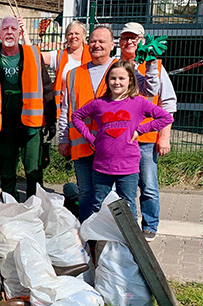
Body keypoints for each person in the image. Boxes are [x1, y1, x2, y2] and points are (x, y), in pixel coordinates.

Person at [58, 25, 160, 223]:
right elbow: (66, 110)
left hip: (114, 147)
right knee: (87, 193)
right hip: (82, 144)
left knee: (114, 198)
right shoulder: (72, 74)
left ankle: (118, 236)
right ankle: (90, 235)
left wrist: (152, 65)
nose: (97, 45)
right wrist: (63, 138)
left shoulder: (120, 69)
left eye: (102, 41)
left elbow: (149, 90)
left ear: (112, 45)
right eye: (93, 41)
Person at [71, 60, 173, 217]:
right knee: (99, 203)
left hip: (128, 167)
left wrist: (141, 130)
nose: (116, 82)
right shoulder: (99, 104)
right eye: (113, 78)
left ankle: (128, 240)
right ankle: (98, 239)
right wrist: (91, 138)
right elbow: (76, 116)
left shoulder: (138, 102)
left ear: (130, 80)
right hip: (102, 166)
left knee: (127, 204)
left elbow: (165, 117)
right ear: (107, 80)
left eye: (121, 78)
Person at [0, 15, 56, 201]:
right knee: (7, 171)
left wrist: (51, 122)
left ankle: (34, 207)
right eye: (5, 29)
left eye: (13, 29)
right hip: (3, 126)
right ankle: (10, 208)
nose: (9, 32)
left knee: (33, 171)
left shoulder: (33, 55)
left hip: (31, 124)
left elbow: (47, 88)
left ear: (20, 33)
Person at [119, 22, 177, 241]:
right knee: (125, 185)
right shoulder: (116, 65)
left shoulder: (154, 66)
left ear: (142, 40)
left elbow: (168, 104)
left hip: (146, 138)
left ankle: (150, 225)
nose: (129, 41)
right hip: (123, 139)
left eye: (134, 38)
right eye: (125, 37)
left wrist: (165, 136)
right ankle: (129, 225)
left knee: (149, 185)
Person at [40, 20, 92, 119]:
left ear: (83, 36)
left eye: (77, 33)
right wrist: (24, 33)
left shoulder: (92, 55)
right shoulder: (59, 56)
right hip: (64, 111)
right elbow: (34, 55)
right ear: (66, 37)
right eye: (70, 34)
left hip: (87, 107)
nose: (73, 36)